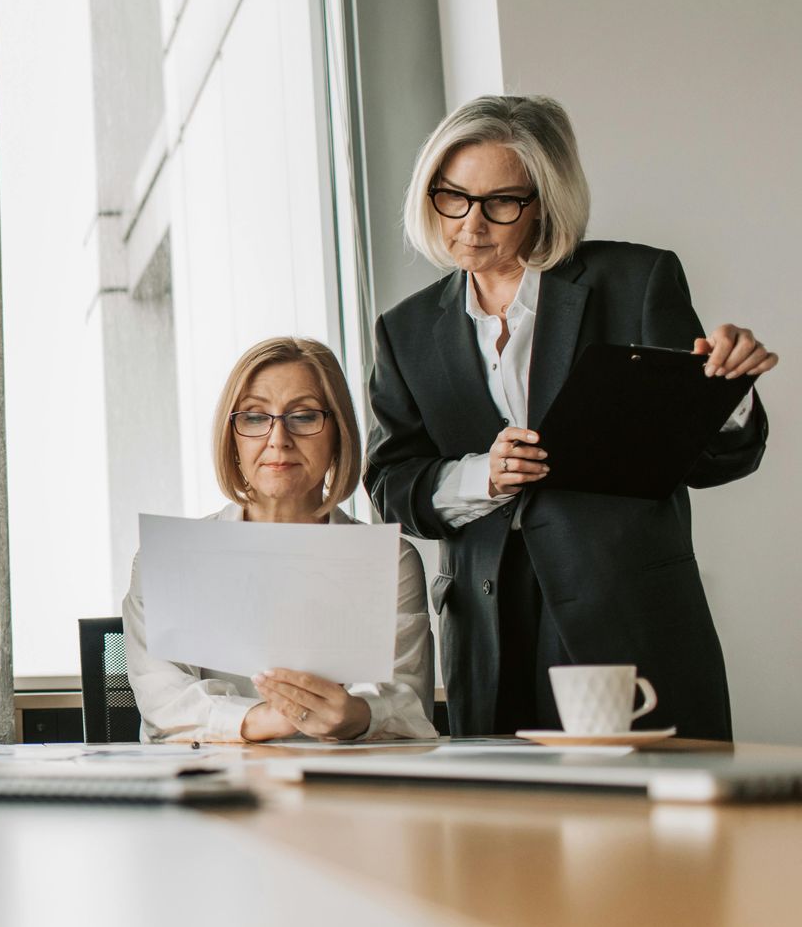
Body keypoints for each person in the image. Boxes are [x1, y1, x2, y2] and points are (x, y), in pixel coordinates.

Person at [365, 95, 774, 740]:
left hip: (627, 614)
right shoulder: (406, 330)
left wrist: (727, 392)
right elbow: (390, 485)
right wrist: (484, 476)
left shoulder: (638, 281)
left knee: (657, 830)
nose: (471, 223)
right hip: (488, 628)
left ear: (545, 200)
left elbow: (711, 460)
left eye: (501, 202)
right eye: (453, 197)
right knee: (511, 830)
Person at [122, 338, 437, 743]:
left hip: (345, 787)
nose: (278, 439)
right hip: (213, 786)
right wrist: (267, 719)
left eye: (304, 416)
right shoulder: (166, 560)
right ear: (232, 438)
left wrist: (356, 715)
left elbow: (406, 702)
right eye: (254, 417)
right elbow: (164, 701)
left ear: (338, 434)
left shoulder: (390, 560)